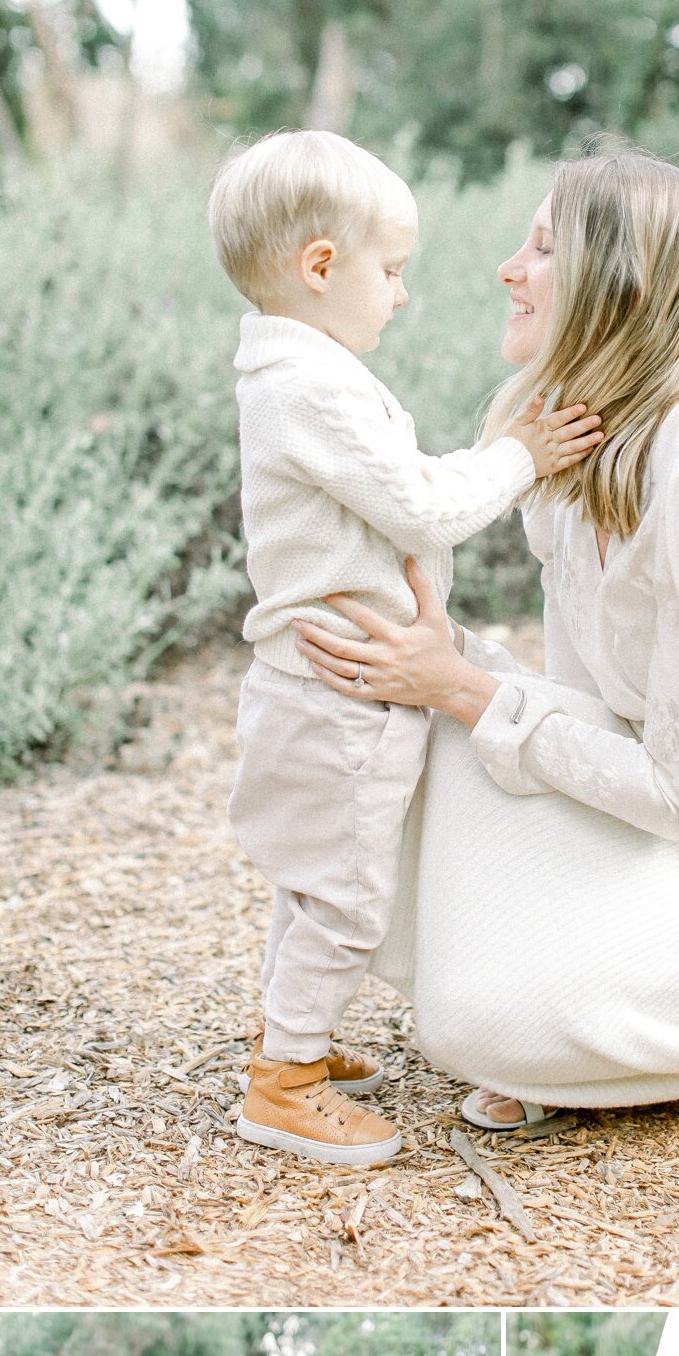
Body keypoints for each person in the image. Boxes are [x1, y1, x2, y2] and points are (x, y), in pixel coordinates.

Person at [295, 150, 679, 1138]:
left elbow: (675, 793)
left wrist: (466, 685)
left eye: (543, 247)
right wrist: (440, 668)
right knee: (407, 726)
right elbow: (584, 704)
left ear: (617, 286)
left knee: (477, 1023)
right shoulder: (566, 440)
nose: (509, 268)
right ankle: (607, 1032)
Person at [208, 127, 600, 1170]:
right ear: (321, 266)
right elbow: (424, 507)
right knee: (345, 895)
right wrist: (517, 455)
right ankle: (283, 1086)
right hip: (345, 697)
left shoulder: (294, 372)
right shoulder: (312, 388)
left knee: (310, 880)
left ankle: (289, 1035)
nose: (402, 293)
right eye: (391, 271)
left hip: (318, 681)